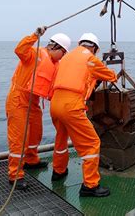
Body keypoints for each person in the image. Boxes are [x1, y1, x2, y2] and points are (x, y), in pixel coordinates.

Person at [50, 32, 117, 197]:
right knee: (92, 143)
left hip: (55, 103)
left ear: (80, 43)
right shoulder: (90, 58)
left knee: (61, 138)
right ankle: (90, 185)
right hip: (71, 105)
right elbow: (111, 76)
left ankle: (58, 172)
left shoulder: (66, 57)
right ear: (94, 47)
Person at [5, 27, 71, 190]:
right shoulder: (35, 54)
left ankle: (31, 160)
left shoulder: (55, 64)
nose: (63, 57)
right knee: (19, 140)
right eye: (63, 53)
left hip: (33, 102)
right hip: (18, 100)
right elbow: (19, 50)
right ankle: (15, 175)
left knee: (36, 133)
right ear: (57, 48)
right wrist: (35, 35)